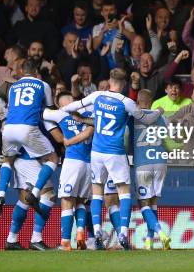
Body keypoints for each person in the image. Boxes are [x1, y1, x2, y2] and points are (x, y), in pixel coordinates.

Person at [59, 68, 162, 250]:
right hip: (115, 153)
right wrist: (159, 111)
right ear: (123, 84)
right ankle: (122, 232)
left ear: (110, 80)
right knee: (124, 193)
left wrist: (65, 111)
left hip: (97, 152)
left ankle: (97, 229)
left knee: (97, 192)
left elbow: (76, 105)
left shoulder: (97, 95)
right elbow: (145, 119)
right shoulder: (127, 102)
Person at [0, 59, 58, 216]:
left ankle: (1, 195)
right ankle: (35, 192)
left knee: (7, 161)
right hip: (28, 128)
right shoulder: (43, 85)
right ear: (36, 71)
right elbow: (50, 109)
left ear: (22, 72)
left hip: (8, 128)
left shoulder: (13, 87)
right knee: (52, 159)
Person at [43, 92, 94, 251]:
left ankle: (65, 241)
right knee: (81, 201)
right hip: (89, 163)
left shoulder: (60, 114)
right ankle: (80, 232)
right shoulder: (89, 114)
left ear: (60, 104)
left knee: (67, 200)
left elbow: (42, 112)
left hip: (72, 161)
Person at [132, 89, 171, 250]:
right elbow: (173, 135)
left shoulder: (133, 117)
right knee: (153, 201)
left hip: (143, 163)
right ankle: (149, 241)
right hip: (161, 161)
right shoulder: (161, 116)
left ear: (138, 102)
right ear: (151, 101)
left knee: (143, 202)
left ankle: (161, 232)